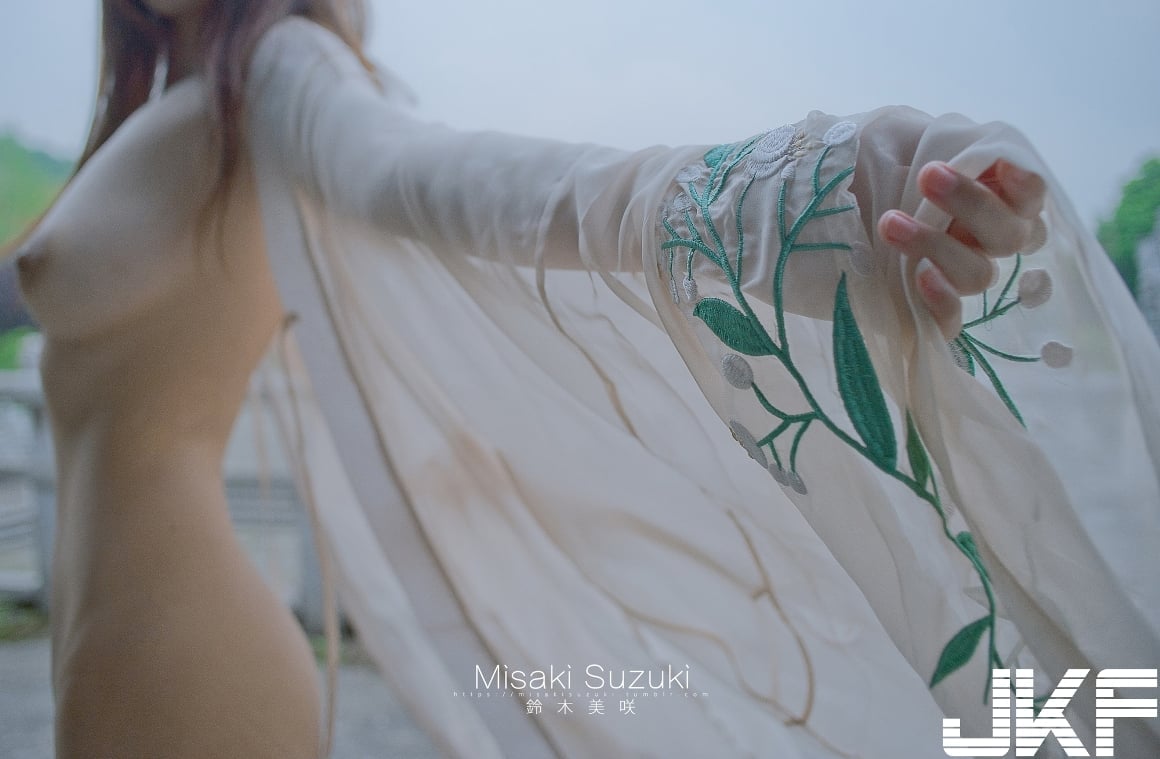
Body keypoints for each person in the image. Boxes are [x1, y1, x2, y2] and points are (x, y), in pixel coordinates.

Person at [4, 0, 1158, 757]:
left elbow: (459, 184)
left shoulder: (279, 74)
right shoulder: (154, 112)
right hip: (100, 650)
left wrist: (817, 195)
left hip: (193, 654)